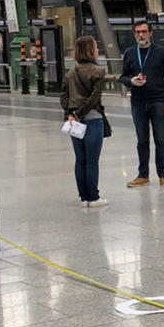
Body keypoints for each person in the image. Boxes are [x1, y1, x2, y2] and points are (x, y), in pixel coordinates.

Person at [120, 20, 164, 188]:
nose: (140, 35)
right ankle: (143, 175)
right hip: (138, 103)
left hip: (158, 102)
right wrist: (131, 81)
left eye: (143, 31)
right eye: (137, 32)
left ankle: (163, 175)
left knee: (160, 139)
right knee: (142, 140)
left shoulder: (161, 53)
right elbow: (122, 77)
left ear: (150, 33)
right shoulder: (129, 53)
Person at [60, 36, 109, 208]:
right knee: (92, 160)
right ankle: (94, 198)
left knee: (80, 159)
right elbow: (94, 98)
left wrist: (71, 115)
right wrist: (80, 113)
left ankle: (84, 197)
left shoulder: (70, 73)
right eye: (96, 47)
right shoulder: (98, 71)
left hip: (75, 122)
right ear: (91, 50)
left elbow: (63, 97)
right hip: (93, 120)